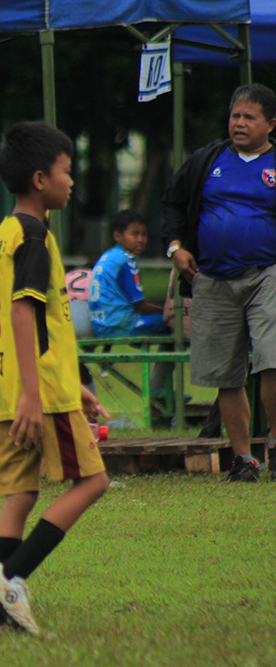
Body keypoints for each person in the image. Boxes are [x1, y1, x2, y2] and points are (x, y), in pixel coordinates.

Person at [0, 122, 109, 638]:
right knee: (93, 481)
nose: (71, 181)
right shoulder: (35, 235)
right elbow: (22, 313)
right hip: (38, 393)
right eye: (66, 171)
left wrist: (75, 386)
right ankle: (9, 579)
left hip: (1, 387)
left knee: (20, 494)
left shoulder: (6, 231)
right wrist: (36, 395)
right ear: (39, 179)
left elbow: (38, 323)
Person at [162, 83, 276, 482]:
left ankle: (275, 443)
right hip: (211, 278)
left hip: (268, 274)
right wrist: (175, 247)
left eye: (249, 117)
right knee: (225, 373)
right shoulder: (206, 159)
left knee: (272, 358)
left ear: (271, 124)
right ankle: (243, 458)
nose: (239, 123)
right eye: (235, 116)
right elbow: (173, 203)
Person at [89, 209, 168, 338]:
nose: (141, 240)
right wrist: (166, 309)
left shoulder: (109, 256)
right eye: (135, 234)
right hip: (120, 325)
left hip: (100, 324)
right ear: (118, 236)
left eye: (144, 234)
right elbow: (140, 305)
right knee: (172, 321)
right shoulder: (126, 261)